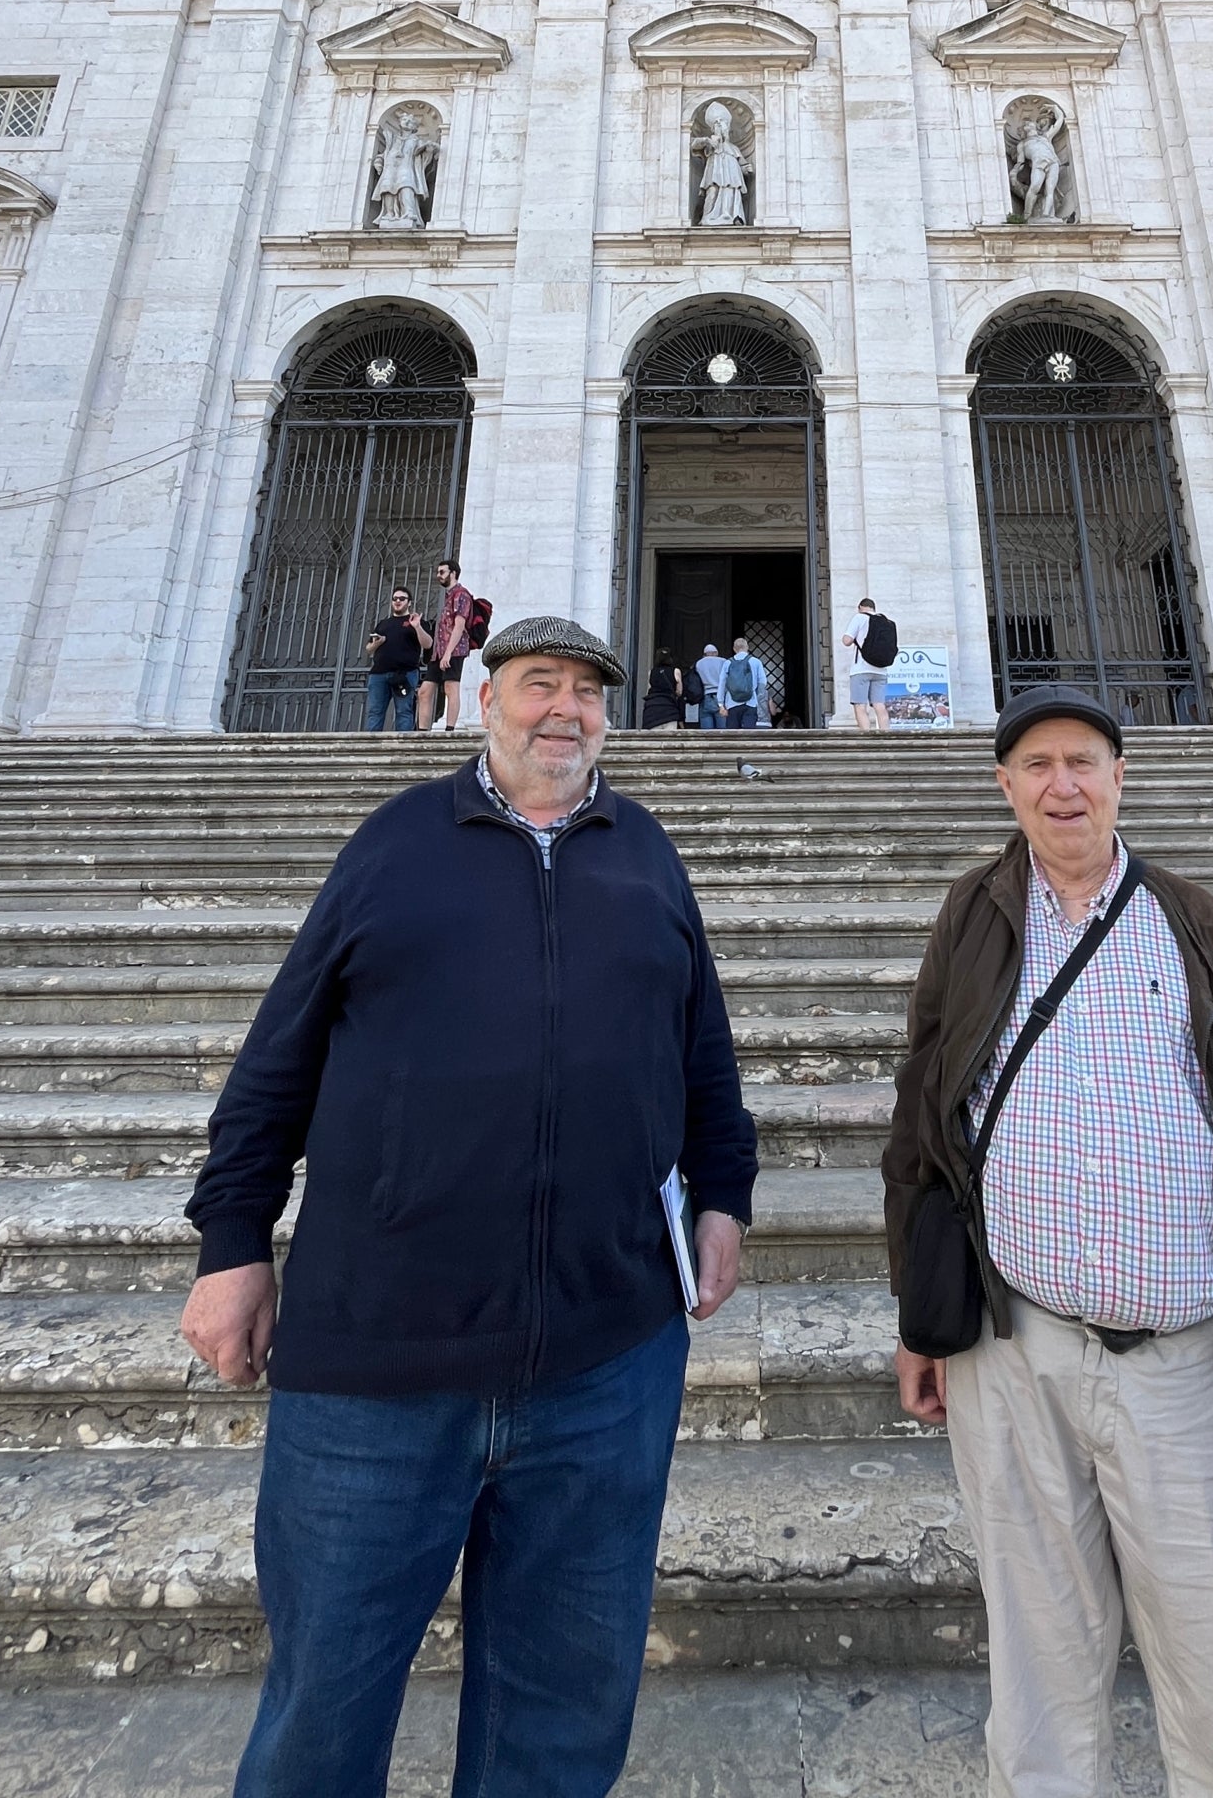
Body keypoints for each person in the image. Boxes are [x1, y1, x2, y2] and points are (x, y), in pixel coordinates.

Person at [182, 614, 758, 1798]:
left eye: (588, 692)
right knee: (324, 1703)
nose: (566, 710)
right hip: (378, 1358)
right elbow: (278, 1058)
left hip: (605, 1357)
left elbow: (701, 1046)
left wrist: (724, 1195)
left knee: (562, 1702)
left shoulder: (646, 848)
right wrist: (232, 1243)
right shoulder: (395, 842)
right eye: (539, 685)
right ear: (484, 700)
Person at [882, 688, 1213, 1798]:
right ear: (1006, 786)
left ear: (1119, 778)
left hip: (1185, 1365)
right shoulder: (971, 918)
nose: (1064, 785)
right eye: (1040, 765)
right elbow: (921, 1125)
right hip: (1013, 1353)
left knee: (1210, 1666)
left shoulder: (1199, 926)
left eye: (1085, 762)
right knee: (1040, 1662)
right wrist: (922, 1317)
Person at [417, 557, 475, 732]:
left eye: (442, 572)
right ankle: (422, 732)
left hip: (454, 651)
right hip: (439, 652)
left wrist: (449, 652)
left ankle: (449, 730)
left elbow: (459, 626)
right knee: (425, 691)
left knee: (451, 687)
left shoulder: (461, 595)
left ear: (453, 573)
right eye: (438, 572)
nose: (438, 575)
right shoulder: (450, 596)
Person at [363, 587, 428, 733]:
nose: (398, 601)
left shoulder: (415, 622)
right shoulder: (383, 624)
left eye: (402, 598)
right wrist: (376, 644)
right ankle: (371, 748)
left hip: (405, 674)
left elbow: (427, 644)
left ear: (409, 603)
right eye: (395, 599)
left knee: (404, 712)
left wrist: (417, 627)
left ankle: (402, 748)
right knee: (375, 712)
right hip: (379, 674)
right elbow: (368, 649)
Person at [842, 596, 895, 731]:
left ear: (860, 608)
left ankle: (866, 738)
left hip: (861, 669)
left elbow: (847, 641)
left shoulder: (859, 618)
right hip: (881, 670)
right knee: (879, 705)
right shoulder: (886, 622)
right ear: (873, 608)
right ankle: (885, 736)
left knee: (860, 705)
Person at [719, 635, 768, 730]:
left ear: (734, 649)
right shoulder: (756, 662)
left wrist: (721, 704)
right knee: (749, 734)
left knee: (733, 735)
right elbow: (762, 683)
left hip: (732, 703)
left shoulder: (727, 663)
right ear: (747, 647)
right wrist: (758, 699)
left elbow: (722, 684)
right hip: (750, 702)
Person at [642, 647, 685, 730]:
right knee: (669, 739)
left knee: (653, 740)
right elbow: (679, 692)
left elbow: (648, 692)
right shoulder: (676, 671)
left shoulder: (651, 672)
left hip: (652, 711)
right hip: (669, 710)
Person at [693, 641, 727, 732]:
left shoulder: (699, 663)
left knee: (706, 732)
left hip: (705, 697)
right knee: (722, 731)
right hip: (720, 697)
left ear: (704, 654)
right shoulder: (723, 661)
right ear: (716, 653)